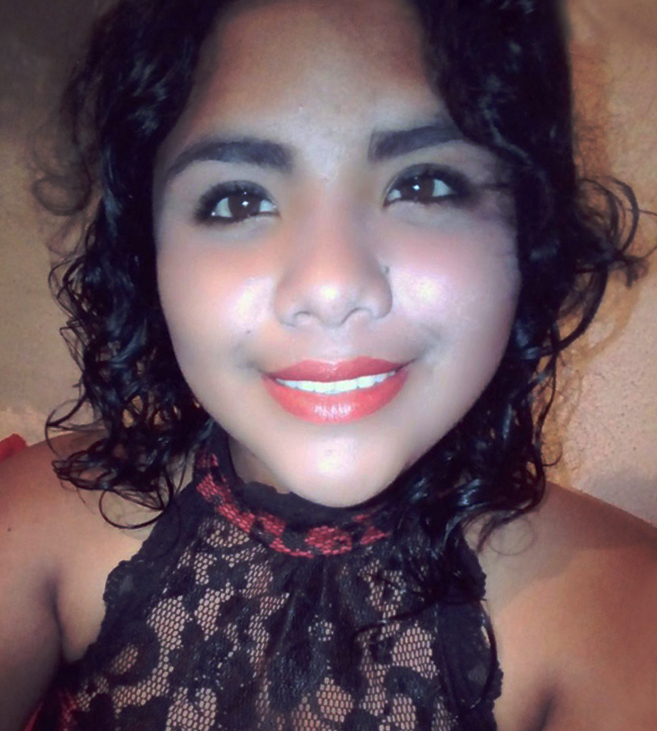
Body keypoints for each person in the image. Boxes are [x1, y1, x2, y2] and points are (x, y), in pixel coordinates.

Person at [1, 0, 656, 728]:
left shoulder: (632, 615)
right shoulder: (27, 518)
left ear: (527, 228)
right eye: (238, 199)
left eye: (423, 184)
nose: (331, 286)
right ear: (145, 250)